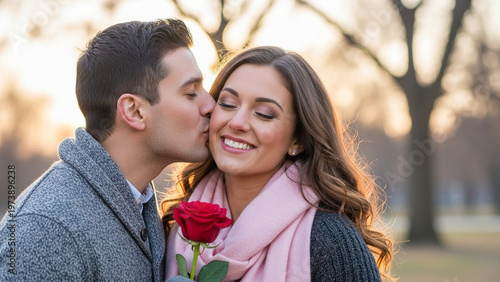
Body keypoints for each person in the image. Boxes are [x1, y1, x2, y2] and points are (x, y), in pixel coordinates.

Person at [0, 19, 214, 281]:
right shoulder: (49, 228)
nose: (210, 105)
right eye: (191, 93)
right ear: (134, 111)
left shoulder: (139, 202)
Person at [161, 46, 394, 281]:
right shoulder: (174, 227)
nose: (238, 122)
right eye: (228, 104)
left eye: (264, 113)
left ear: (298, 139)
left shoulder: (332, 241)